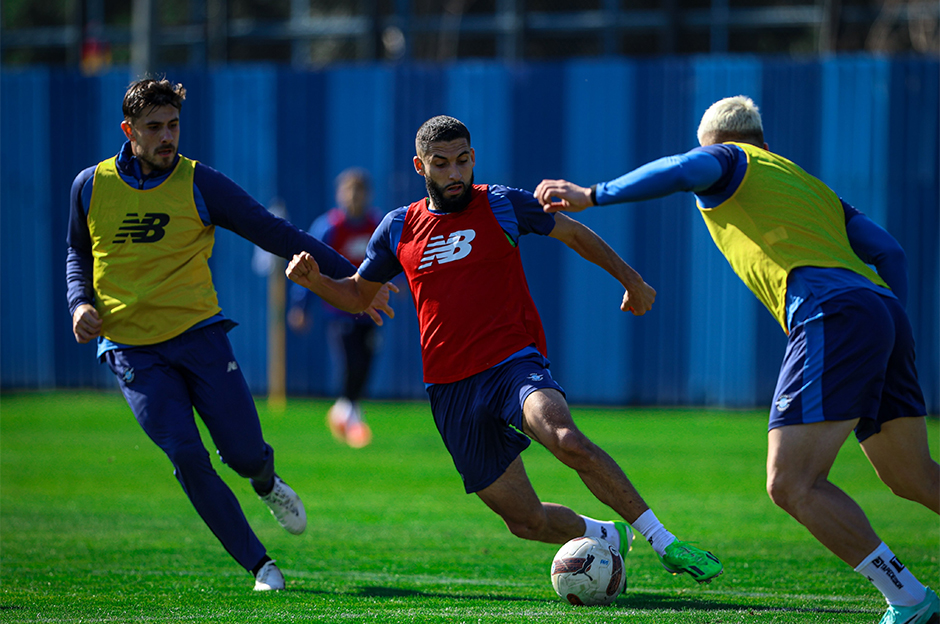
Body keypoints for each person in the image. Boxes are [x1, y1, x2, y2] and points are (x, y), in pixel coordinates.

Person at [534, 96, 939, 624]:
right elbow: (891, 253)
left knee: (792, 483)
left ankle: (908, 596)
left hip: (830, 312)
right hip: (883, 310)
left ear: (719, 143)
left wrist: (593, 194)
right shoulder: (809, 185)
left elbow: (685, 169)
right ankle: (910, 596)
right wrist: (889, 327)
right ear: (765, 140)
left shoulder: (728, 160)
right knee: (914, 477)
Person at [286, 115, 724, 584]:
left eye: (462, 161)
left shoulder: (502, 204)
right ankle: (606, 533)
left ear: (473, 158)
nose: (455, 173)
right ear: (421, 167)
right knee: (526, 522)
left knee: (566, 439)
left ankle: (666, 542)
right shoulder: (398, 228)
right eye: (441, 164)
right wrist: (314, 282)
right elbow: (356, 293)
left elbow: (574, 233)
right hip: (450, 387)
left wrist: (632, 280)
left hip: (513, 363)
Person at [66, 78, 394, 591]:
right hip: (131, 348)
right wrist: (79, 302)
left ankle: (266, 480)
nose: (167, 136)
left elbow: (278, 233)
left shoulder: (201, 183)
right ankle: (260, 565)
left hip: (200, 336)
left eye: (173, 125)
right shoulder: (90, 185)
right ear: (129, 130)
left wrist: (359, 281)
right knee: (185, 453)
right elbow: (77, 255)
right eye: (154, 128)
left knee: (242, 454)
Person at [288, 168, 384, 448]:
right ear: (340, 194)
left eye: (360, 191)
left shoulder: (377, 225)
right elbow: (307, 265)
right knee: (349, 362)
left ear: (368, 195)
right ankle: (352, 420)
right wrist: (300, 305)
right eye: (349, 190)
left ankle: (343, 412)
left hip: (370, 308)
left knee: (365, 365)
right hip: (339, 309)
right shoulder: (329, 226)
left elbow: (391, 257)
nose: (355, 197)